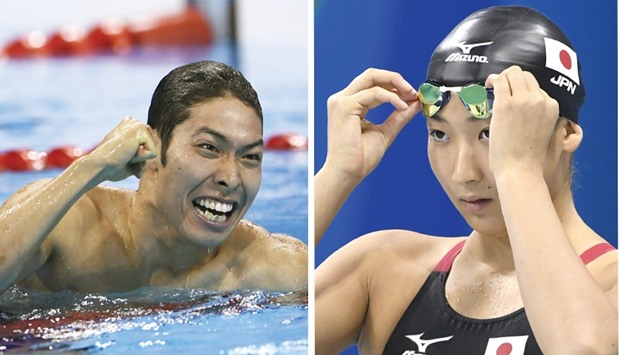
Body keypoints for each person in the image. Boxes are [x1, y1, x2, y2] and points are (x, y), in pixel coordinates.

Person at [315, 6, 617, 354]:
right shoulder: (385, 268)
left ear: (565, 131)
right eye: (440, 134)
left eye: (489, 132)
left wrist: (517, 170)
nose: (463, 173)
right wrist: (338, 172)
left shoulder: (609, 286)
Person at [0, 60, 307, 294]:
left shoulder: (263, 265)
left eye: (250, 156)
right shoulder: (68, 223)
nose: (232, 177)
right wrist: (92, 166)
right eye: (209, 148)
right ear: (151, 148)